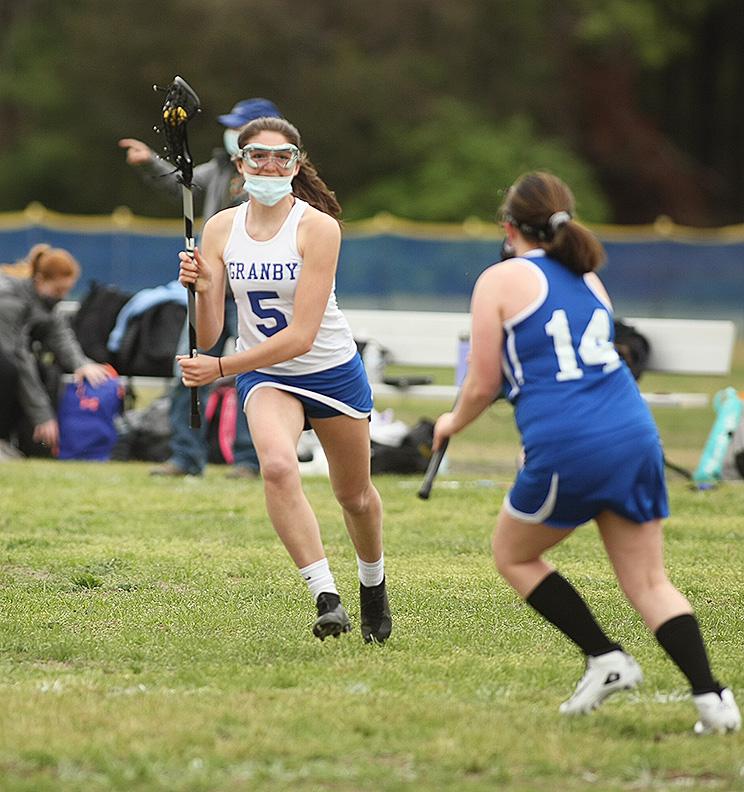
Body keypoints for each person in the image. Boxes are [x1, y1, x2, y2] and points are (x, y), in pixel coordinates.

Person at [432, 172, 741, 734]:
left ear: (508, 227)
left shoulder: (498, 280)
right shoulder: (588, 275)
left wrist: (450, 422)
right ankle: (714, 700)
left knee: (513, 555)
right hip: (634, 433)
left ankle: (606, 658)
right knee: (650, 583)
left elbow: (482, 383)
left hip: (572, 442)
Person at [175, 116, 391, 644]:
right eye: (259, 156)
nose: (270, 165)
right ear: (240, 163)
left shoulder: (318, 227)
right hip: (265, 373)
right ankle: (326, 596)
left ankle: (372, 584)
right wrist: (205, 288)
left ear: (297, 164)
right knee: (275, 466)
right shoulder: (222, 227)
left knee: (355, 496)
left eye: (282, 157)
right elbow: (212, 331)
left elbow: (301, 336)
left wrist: (221, 368)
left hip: (330, 370)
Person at [119, 98, 282, 479]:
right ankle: (185, 458)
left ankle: (248, 461)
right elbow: (183, 184)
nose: (232, 134)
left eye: (240, 127)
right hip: (208, 292)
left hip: (250, 297)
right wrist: (149, 163)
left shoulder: (278, 180)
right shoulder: (222, 168)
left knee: (253, 378)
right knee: (188, 374)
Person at [0, 244, 112, 456]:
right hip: (5, 352)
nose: (63, 296)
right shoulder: (8, 299)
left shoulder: (40, 300)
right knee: (8, 373)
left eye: (67, 291)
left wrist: (82, 364)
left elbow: (61, 336)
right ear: (40, 280)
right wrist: (43, 416)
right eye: (59, 290)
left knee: (41, 371)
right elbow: (16, 356)